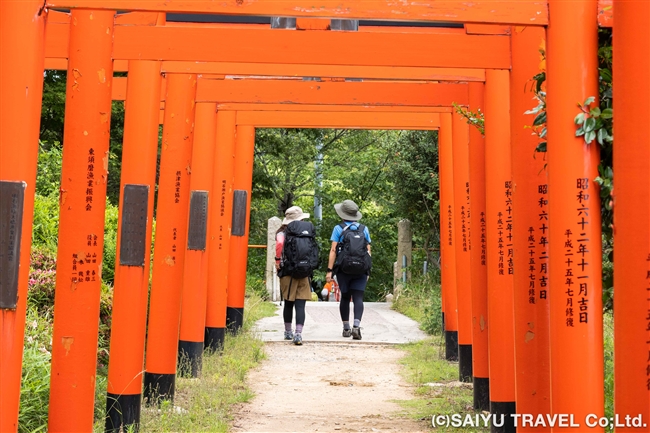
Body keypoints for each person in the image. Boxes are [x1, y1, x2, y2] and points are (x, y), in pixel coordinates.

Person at [325, 200, 372, 340]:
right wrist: (367, 270)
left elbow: (333, 250)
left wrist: (329, 271)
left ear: (342, 214)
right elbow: (368, 251)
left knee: (345, 297)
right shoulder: (364, 229)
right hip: (361, 270)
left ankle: (346, 328)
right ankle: (356, 326)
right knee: (358, 297)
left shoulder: (338, 228)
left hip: (343, 269)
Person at [275, 206, 314, 346]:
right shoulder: (305, 232)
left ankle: (287, 332)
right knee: (300, 304)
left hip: (288, 271)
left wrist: (277, 260)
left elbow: (279, 243)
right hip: (304, 271)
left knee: (288, 302)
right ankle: (298, 334)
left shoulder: (282, 232)